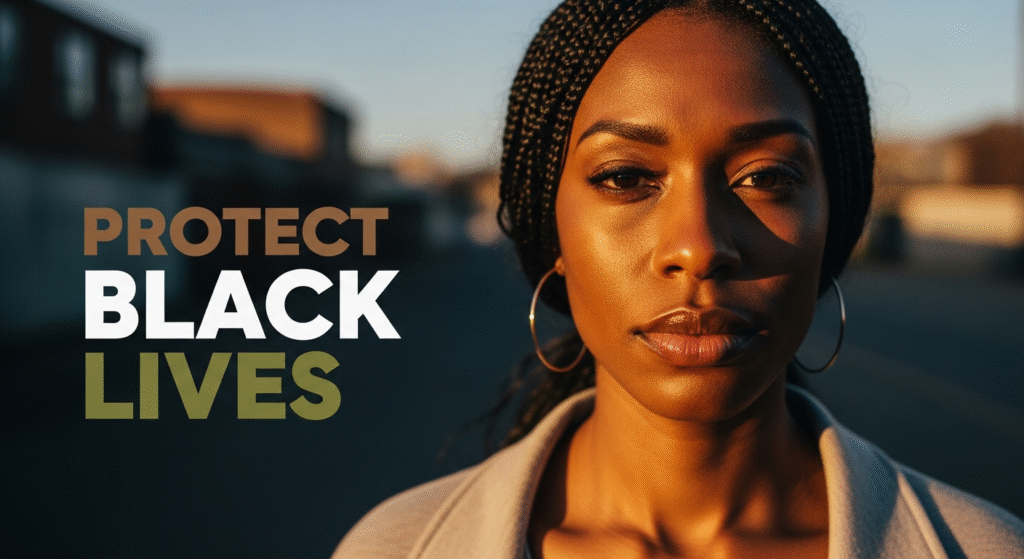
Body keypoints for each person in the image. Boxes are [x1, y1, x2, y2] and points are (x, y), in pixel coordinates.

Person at [333, 0, 1024, 557]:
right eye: (626, 177)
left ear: (834, 225)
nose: (698, 248)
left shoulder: (983, 547)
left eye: (766, 178)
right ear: (555, 236)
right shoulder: (396, 546)